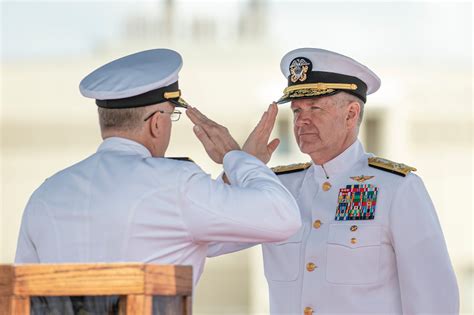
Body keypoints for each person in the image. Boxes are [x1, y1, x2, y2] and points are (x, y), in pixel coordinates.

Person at [14, 48, 302, 287]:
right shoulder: (175, 185)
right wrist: (237, 159)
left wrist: (234, 173)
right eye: (170, 117)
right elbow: (283, 218)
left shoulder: (46, 194)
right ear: (156, 123)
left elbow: (22, 295)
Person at [208, 48, 459, 314]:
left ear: (351, 114)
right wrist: (240, 167)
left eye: (315, 108)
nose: (302, 120)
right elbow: (211, 240)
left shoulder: (396, 188)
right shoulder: (278, 188)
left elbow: (434, 298)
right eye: (296, 111)